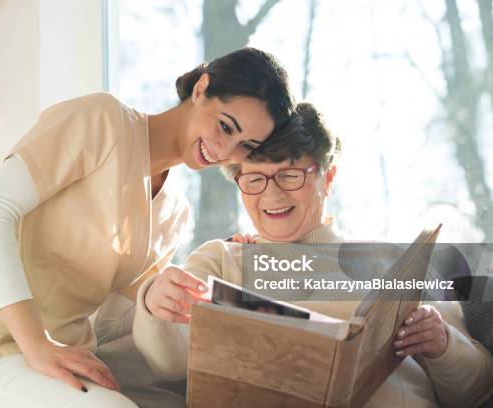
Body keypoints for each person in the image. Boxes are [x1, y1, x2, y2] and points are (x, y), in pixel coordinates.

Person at [0, 47, 296, 407]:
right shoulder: (102, 120)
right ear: (201, 89)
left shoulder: (174, 212)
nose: (225, 151)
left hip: (50, 362)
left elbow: (108, 325)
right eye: (226, 126)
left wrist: (159, 299)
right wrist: (37, 345)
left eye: (245, 146)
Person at [133, 102, 493, 407]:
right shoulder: (221, 260)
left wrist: (443, 343)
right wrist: (154, 302)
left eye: (290, 175)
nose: (271, 196)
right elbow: (170, 363)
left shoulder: (397, 265)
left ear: (327, 177)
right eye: (255, 179)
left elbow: (476, 391)